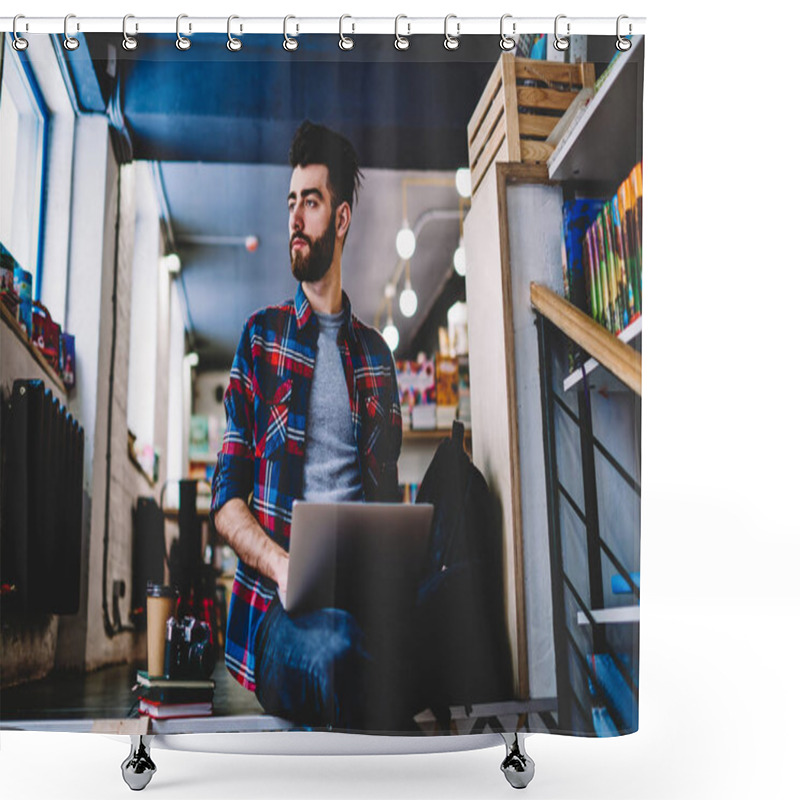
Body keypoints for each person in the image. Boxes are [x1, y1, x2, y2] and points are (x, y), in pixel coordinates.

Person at [211, 120, 409, 732]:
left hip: (362, 598)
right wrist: (282, 564)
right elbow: (225, 502)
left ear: (342, 219)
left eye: (312, 202)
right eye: (291, 202)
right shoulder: (261, 338)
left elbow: (385, 499)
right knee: (341, 651)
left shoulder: (376, 357)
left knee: (429, 631)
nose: (295, 218)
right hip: (280, 614)